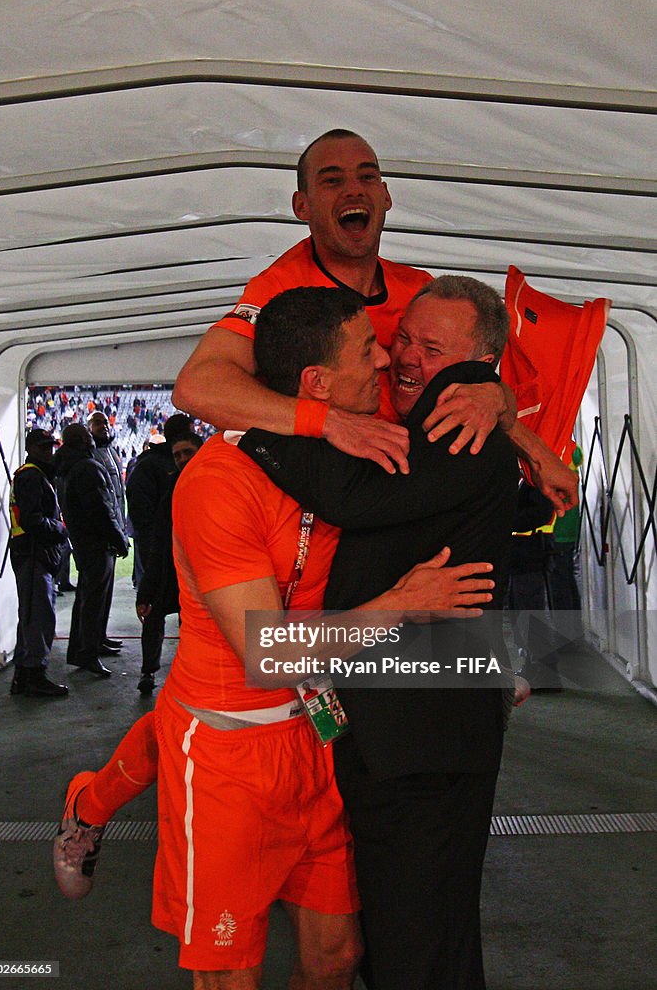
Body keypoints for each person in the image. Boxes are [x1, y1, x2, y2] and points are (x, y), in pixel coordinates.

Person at [54, 288, 500, 990]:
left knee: (336, 959)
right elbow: (268, 653)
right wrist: (402, 606)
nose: (386, 358)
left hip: (316, 734)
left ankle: (93, 798)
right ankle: (86, 803)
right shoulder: (216, 485)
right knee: (231, 977)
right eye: (367, 351)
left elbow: (462, 404)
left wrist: (498, 403)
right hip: (229, 751)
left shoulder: (352, 435)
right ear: (318, 386)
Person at [238, 277, 522, 990]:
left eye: (432, 348)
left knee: (415, 947)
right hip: (407, 734)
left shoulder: (461, 415)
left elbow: (356, 500)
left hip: (421, 743)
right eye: (402, 339)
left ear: (479, 363)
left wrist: (251, 430)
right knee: (418, 935)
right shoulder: (436, 415)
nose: (402, 357)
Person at [172, 129, 578, 513]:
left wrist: (530, 444)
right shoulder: (280, 289)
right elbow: (197, 387)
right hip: (322, 509)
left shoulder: (419, 290)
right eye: (332, 181)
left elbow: (473, 387)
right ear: (302, 206)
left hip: (405, 491)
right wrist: (332, 423)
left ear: (385, 196)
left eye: (367, 176)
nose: (353, 189)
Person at [53, 424, 129, 678]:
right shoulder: (86, 467)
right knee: (94, 599)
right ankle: (87, 651)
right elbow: (101, 510)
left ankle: (91, 644)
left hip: (84, 541)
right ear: (83, 441)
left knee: (90, 597)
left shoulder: (67, 466)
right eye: (87, 435)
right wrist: (118, 537)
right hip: (96, 543)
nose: (92, 438)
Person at [135, 431, 204, 695]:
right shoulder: (170, 489)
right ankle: (148, 671)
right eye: (177, 455)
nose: (182, 459)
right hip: (171, 570)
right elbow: (159, 540)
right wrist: (146, 589)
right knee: (153, 617)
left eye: (187, 452)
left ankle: (194, 675)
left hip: (200, 572)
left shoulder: (215, 482)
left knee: (195, 626)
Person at [8, 428, 69, 698]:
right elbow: (33, 520)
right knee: (39, 618)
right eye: (43, 447)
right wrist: (60, 529)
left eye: (50, 447)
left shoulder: (32, 474)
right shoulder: (32, 476)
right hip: (34, 554)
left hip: (31, 554)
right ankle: (33, 675)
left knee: (31, 617)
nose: (49, 452)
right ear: (31, 448)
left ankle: (24, 676)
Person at [126, 413, 194, 592]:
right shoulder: (153, 467)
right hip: (167, 548)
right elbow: (141, 511)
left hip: (177, 548)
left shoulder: (147, 465)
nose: (183, 459)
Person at [86, 410, 128, 651]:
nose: (104, 426)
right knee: (95, 594)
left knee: (105, 593)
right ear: (89, 427)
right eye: (98, 423)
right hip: (102, 534)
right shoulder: (91, 455)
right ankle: (91, 643)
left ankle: (100, 636)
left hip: (114, 530)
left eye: (105, 422)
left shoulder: (111, 452)